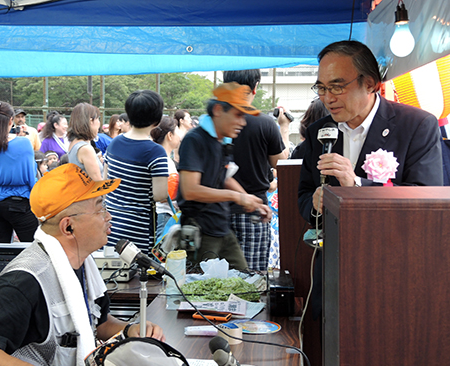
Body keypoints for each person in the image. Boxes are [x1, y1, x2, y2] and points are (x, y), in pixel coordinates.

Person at [0, 163, 164, 366]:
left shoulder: (82, 265)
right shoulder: (26, 279)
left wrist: (129, 329)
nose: (109, 217)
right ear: (68, 227)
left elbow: (98, 323)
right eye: (100, 208)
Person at [298, 40, 443, 320]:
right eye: (322, 88)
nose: (328, 97)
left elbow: (427, 202)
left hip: (393, 269)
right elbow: (303, 195)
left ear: (371, 84)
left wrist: (356, 186)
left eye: (338, 86)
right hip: (333, 269)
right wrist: (315, 204)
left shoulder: (416, 125)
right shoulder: (319, 131)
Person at [177, 82, 271, 271]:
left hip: (222, 227)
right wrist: (237, 197)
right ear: (219, 110)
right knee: (202, 291)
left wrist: (253, 202)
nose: (243, 123)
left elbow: (225, 177)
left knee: (245, 279)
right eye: (238, 115)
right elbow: (190, 190)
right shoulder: (195, 140)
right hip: (200, 230)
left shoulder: (222, 142)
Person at [223, 69, 287, 271]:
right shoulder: (265, 124)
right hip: (254, 210)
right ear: (255, 87)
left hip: (217, 210)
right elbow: (281, 163)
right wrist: (283, 128)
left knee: (216, 278)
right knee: (252, 279)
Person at [104, 90, 169, 255]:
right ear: (157, 119)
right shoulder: (156, 152)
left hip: (109, 223)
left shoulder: (114, 143)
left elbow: (105, 182)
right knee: (137, 276)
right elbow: (160, 195)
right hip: (137, 228)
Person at [0, 101, 39, 243]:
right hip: (20, 202)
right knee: (32, 251)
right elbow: (31, 177)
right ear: (11, 120)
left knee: (1, 252)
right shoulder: (23, 143)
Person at [150, 116, 181, 239]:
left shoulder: (162, 159)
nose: (179, 136)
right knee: (163, 254)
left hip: (166, 214)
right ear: (170, 136)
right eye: (177, 132)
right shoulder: (164, 162)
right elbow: (162, 195)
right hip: (166, 215)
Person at [67, 103, 104, 181]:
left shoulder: (74, 143)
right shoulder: (85, 148)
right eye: (98, 119)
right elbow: (98, 183)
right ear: (91, 121)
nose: (99, 123)